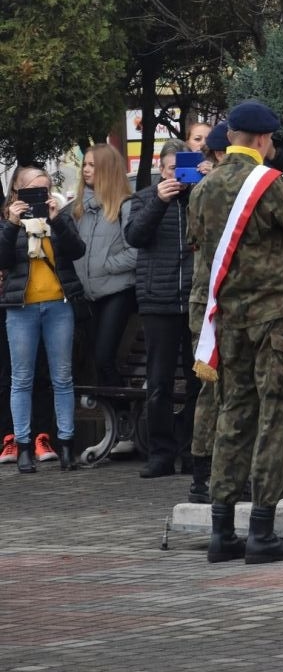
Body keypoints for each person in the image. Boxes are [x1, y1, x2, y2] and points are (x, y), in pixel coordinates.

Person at [188, 100, 283, 565]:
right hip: (275, 322)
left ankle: (221, 528)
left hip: (228, 320)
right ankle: (263, 530)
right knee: (276, 417)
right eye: (271, 139)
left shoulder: (203, 190)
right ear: (261, 140)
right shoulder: (271, 186)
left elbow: (198, 245)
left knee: (233, 415)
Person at [0, 165, 86, 472]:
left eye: (45, 190)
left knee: (62, 377)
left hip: (58, 306)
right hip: (21, 309)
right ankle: (23, 446)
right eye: (33, 192)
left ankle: (66, 444)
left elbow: (77, 251)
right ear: (17, 193)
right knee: (21, 379)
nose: (41, 197)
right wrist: (11, 223)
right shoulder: (7, 221)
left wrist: (58, 219)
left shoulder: (58, 217)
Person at [124, 140, 199, 478]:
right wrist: (159, 199)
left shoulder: (201, 199)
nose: (177, 175)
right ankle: (161, 453)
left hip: (196, 301)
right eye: (171, 169)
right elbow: (135, 236)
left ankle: (191, 448)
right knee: (159, 384)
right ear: (161, 170)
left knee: (200, 381)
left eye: (184, 168)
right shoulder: (144, 198)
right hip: (159, 301)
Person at [186, 120, 229, 503]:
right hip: (211, 303)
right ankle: (203, 473)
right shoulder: (210, 191)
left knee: (226, 391)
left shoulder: (207, 189)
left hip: (217, 300)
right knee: (213, 390)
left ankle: (217, 472)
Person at [72, 145, 138, 393]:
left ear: (107, 170)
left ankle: (123, 414)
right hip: (88, 294)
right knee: (95, 363)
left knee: (104, 358)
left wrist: (105, 265)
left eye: (92, 165)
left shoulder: (125, 206)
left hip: (117, 292)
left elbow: (136, 252)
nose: (86, 170)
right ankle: (113, 418)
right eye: (85, 165)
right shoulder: (80, 208)